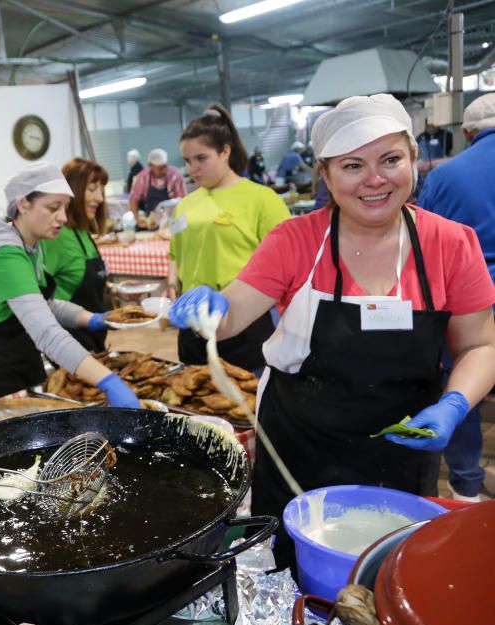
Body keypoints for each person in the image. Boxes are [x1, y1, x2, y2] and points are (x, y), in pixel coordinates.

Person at [168, 94, 495, 569]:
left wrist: (454, 404)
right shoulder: (295, 241)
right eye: (352, 166)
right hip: (300, 446)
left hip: (401, 450)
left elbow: (481, 345)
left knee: (387, 574)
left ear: (414, 159)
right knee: (291, 574)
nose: (375, 180)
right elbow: (235, 313)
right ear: (325, 174)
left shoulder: (449, 244)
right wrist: (211, 308)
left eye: (390, 160)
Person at [0, 162, 140, 407]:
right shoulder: (3, 255)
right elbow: (46, 333)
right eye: (53, 207)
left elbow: (44, 304)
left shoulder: (31, 244)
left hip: (19, 353)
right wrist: (108, 381)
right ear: (22, 204)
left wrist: (93, 319)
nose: (63, 217)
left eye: (64, 207)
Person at [415, 92, 495, 502]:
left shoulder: (446, 176)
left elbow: (419, 240)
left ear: (465, 133)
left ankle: (465, 484)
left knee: (462, 388)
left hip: (471, 300)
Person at [169, 104, 290, 370]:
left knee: (248, 401)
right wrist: (171, 280)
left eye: (201, 158)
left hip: (244, 322)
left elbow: (287, 263)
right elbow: (176, 253)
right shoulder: (184, 205)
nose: (193, 169)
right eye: (187, 161)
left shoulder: (261, 199)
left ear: (225, 151)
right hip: (193, 325)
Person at [41, 158, 110, 352]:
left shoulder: (82, 233)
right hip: (70, 339)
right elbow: (42, 299)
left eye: (101, 190)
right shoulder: (56, 236)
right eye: (92, 189)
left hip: (94, 337)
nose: (100, 198)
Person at [129, 148, 185, 215]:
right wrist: (137, 217)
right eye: (160, 168)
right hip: (151, 217)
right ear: (151, 166)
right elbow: (133, 199)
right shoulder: (142, 177)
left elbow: (183, 199)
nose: (164, 171)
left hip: (173, 216)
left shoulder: (176, 174)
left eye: (165, 166)